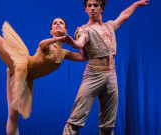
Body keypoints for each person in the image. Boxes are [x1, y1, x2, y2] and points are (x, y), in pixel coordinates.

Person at [0, 0, 87, 134]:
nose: (57, 24)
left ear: (66, 30)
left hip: (24, 77)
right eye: (55, 23)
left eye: (61, 23)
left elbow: (83, 57)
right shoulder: (49, 45)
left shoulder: (63, 53)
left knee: (13, 115)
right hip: (20, 63)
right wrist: (58, 39)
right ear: (51, 30)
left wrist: (77, 40)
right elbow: (41, 44)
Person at [63, 0, 149, 134]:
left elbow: (124, 15)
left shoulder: (110, 26)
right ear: (85, 9)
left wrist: (136, 4)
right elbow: (80, 42)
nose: (92, 8)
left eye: (95, 5)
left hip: (111, 75)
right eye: (89, 6)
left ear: (101, 8)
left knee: (108, 124)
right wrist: (73, 43)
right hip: (93, 74)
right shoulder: (84, 30)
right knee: (76, 119)